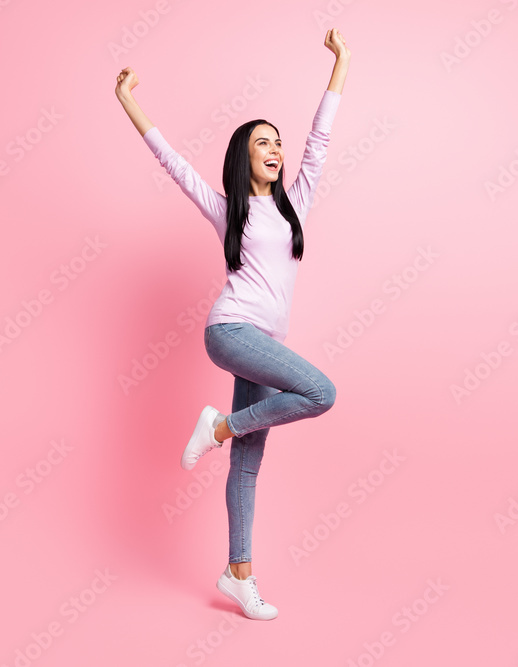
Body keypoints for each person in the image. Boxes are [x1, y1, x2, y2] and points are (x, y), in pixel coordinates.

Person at [115, 28, 351, 621]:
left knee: (248, 462)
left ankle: (238, 573)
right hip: (232, 332)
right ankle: (218, 427)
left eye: (278, 142)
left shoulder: (295, 201)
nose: (276, 149)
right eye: (262, 143)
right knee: (319, 392)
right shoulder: (228, 211)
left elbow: (320, 141)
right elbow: (172, 163)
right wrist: (129, 100)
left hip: (264, 343)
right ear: (243, 154)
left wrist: (341, 65)